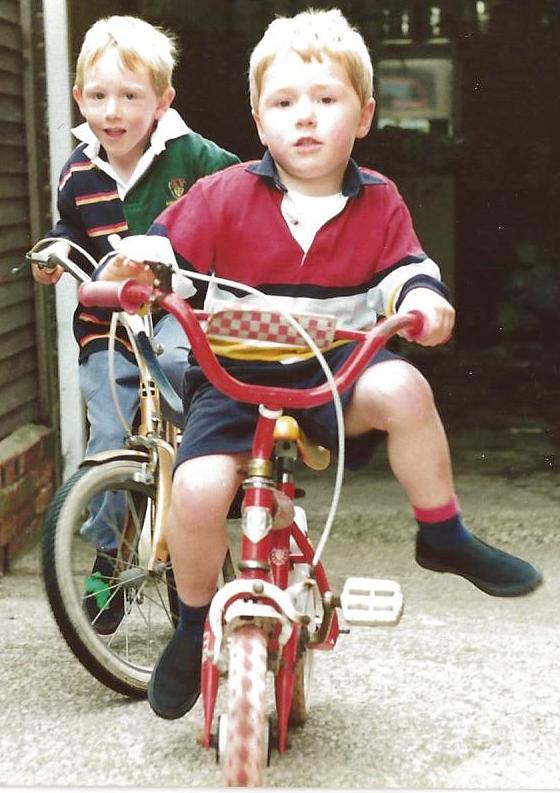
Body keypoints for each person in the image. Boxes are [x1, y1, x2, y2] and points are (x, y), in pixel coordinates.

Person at [100, 7, 542, 719]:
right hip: (234, 383)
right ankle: (190, 622)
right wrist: (136, 268)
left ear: (363, 115)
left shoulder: (380, 204)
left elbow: (407, 272)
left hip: (333, 379)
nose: (305, 118)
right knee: (199, 491)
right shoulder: (223, 194)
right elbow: (165, 253)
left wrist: (425, 303)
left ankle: (444, 532)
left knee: (404, 384)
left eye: (326, 100)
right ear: (258, 118)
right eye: (284, 103)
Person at [31, 15, 239, 634]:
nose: (112, 111)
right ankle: (110, 549)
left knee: (188, 418)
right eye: (98, 96)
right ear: (79, 98)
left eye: (129, 96)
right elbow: (72, 226)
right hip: (107, 327)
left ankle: (183, 555)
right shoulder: (78, 170)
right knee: (107, 442)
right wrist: (54, 248)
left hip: (176, 317)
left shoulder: (199, 159)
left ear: (162, 101)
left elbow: (237, 207)